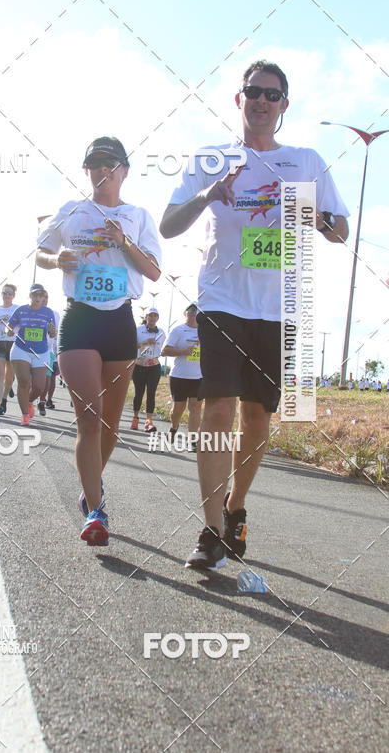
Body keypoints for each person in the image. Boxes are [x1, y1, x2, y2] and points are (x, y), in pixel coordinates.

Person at [160, 60, 349, 570]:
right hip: (222, 300)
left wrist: (319, 217)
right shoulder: (210, 159)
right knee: (217, 406)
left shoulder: (306, 161)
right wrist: (208, 193)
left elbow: (341, 231)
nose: (262, 101)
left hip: (279, 308)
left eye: (272, 94)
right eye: (253, 92)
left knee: (257, 417)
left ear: (284, 105)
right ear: (238, 99)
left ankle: (235, 505)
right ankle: (210, 530)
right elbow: (168, 225)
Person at [36, 137, 161, 546]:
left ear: (125, 171)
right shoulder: (71, 211)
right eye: (95, 164)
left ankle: (93, 485)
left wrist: (123, 241)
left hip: (120, 321)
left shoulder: (138, 215)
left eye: (111, 163)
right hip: (81, 319)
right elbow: (41, 251)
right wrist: (57, 261)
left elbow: (155, 272)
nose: (102, 170)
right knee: (88, 418)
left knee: (109, 423)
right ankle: (95, 510)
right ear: (86, 170)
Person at [6, 284, 57, 425]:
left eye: (41, 295)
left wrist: (53, 331)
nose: (38, 298)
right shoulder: (21, 310)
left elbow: (53, 333)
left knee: (39, 387)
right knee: (23, 381)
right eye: (35, 295)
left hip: (41, 352)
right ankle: (25, 415)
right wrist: (8, 331)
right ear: (30, 296)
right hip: (21, 350)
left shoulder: (48, 312)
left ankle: (28, 401)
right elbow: (9, 326)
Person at [161, 303, 203, 448]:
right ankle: (173, 427)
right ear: (185, 313)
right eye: (190, 310)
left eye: (196, 311)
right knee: (177, 409)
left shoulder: (205, 332)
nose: (193, 313)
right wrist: (183, 352)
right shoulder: (178, 330)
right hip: (179, 375)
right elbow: (164, 351)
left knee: (195, 407)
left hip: (199, 376)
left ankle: (192, 440)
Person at [130, 308, 166, 432]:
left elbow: (160, 349)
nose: (152, 318)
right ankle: (135, 419)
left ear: (158, 318)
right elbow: (130, 346)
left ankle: (149, 421)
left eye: (155, 315)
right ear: (146, 317)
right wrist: (145, 342)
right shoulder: (138, 330)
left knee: (151, 394)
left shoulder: (161, 332)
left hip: (154, 366)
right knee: (138, 393)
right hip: (139, 366)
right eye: (150, 315)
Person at [0, 284, 18, 415]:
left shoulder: (17, 309)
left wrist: (12, 328)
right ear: (1, 294)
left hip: (13, 343)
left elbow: (22, 324)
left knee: (9, 377)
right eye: (4, 293)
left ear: (13, 295)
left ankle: (4, 399)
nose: (7, 295)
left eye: (9, 293)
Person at [38, 290, 60, 415]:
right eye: (41, 296)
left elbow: (56, 334)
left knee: (49, 379)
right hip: (32, 350)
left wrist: (58, 352)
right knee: (33, 380)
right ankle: (30, 401)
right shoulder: (31, 312)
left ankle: (44, 401)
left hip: (49, 352)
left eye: (46, 296)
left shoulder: (55, 314)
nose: (44, 299)